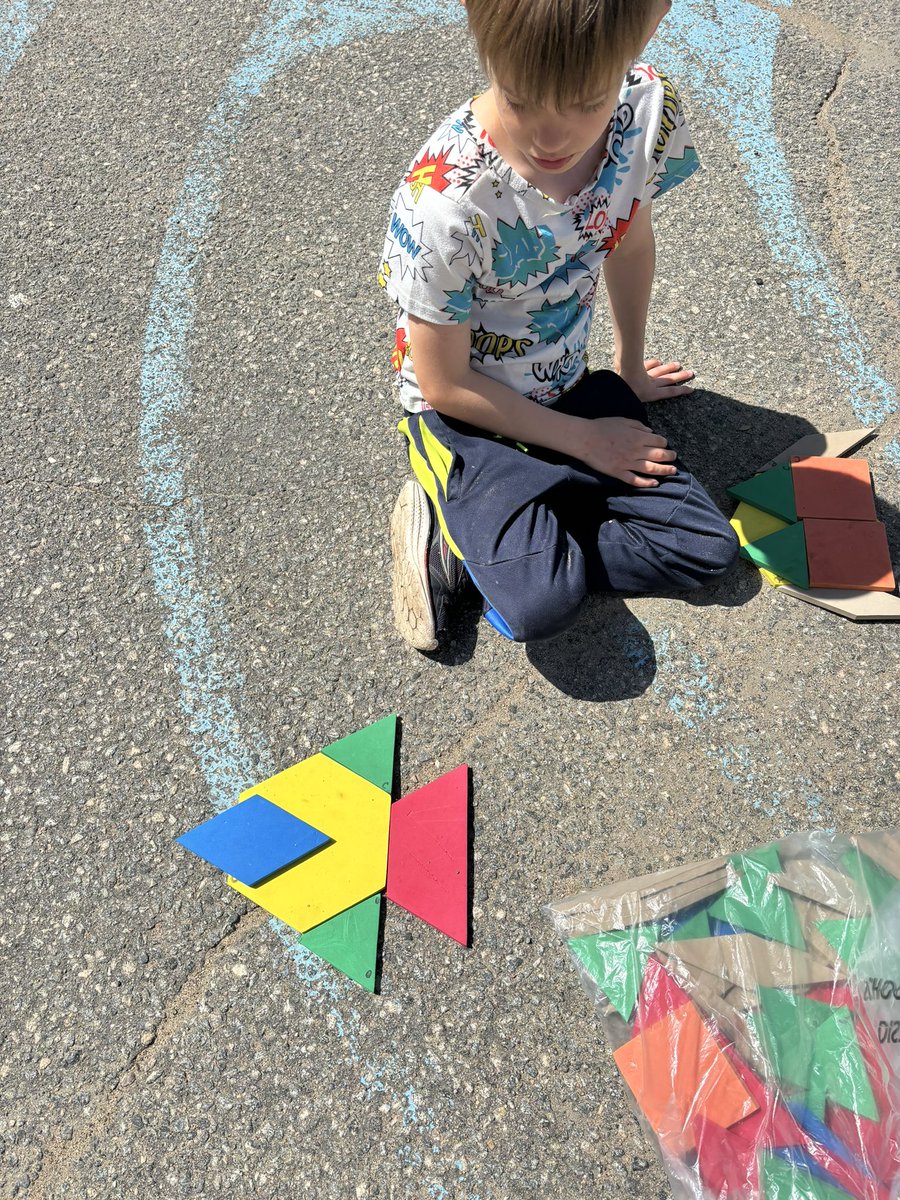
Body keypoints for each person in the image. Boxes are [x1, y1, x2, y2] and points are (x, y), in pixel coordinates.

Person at [378, 0, 738, 651]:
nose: (551, 137)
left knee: (706, 550)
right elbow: (443, 383)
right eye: (520, 100)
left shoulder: (645, 109)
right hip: (467, 415)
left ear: (648, 27)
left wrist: (628, 368)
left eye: (583, 102)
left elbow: (628, 240)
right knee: (544, 606)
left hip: (565, 381)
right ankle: (445, 520)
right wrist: (585, 442)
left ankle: (506, 531)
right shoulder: (444, 204)